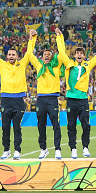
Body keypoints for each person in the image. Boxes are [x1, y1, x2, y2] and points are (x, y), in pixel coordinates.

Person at [56, 28, 96, 159]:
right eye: (77, 53)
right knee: (71, 125)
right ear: (74, 55)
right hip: (71, 99)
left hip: (83, 99)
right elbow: (61, 52)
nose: (79, 55)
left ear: (84, 56)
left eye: (81, 53)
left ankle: (85, 147)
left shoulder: (88, 65)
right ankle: (73, 148)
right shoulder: (69, 63)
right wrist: (59, 37)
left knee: (86, 125)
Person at [0, 29, 36, 160]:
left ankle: (17, 151)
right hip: (6, 99)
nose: (11, 56)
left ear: (17, 56)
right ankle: (6, 150)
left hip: (19, 99)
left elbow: (29, 52)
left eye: (13, 54)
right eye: (9, 54)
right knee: (5, 127)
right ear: (6, 56)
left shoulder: (22, 64)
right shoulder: (2, 64)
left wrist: (32, 38)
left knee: (17, 127)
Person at [27, 32, 64, 160]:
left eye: (49, 55)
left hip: (53, 98)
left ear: (52, 57)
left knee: (56, 125)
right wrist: (33, 38)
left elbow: (62, 52)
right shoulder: (39, 65)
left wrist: (59, 37)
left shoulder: (57, 65)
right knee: (41, 125)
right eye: (44, 55)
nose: (46, 56)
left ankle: (58, 149)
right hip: (41, 99)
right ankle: (43, 149)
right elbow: (29, 54)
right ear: (42, 58)